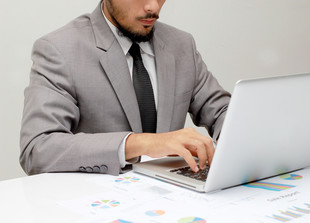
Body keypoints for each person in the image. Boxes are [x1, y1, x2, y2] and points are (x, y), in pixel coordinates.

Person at [20, 0, 230, 176]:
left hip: (173, 201)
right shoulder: (59, 49)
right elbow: (37, 149)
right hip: (98, 208)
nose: (153, 7)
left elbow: (222, 111)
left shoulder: (182, 44)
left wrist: (239, 139)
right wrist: (143, 143)